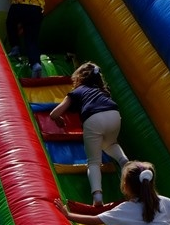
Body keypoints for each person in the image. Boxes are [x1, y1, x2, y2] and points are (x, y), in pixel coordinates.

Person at [49, 62, 129, 209]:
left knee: (93, 161)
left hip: (94, 119)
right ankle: (123, 160)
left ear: (79, 77)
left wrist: (59, 120)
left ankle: (97, 197)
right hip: (114, 115)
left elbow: (54, 114)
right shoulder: (102, 91)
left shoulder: (77, 91)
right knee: (110, 144)